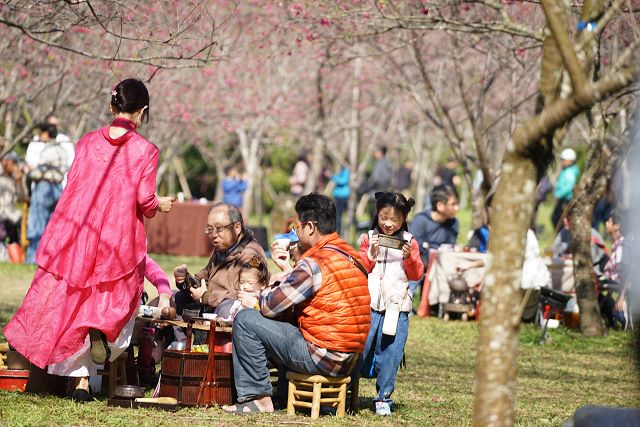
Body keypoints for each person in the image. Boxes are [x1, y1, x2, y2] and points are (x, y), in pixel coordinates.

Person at [3, 78, 175, 401]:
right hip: (117, 237)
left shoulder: (84, 143)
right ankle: (101, 328)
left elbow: (73, 184)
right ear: (144, 111)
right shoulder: (146, 151)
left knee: (73, 301)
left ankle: (80, 381)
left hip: (76, 233)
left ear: (112, 106)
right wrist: (160, 205)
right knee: (114, 300)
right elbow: (145, 199)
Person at [222, 193, 370, 415]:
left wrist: (256, 299)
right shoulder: (351, 255)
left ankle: (258, 399)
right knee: (286, 322)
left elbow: (271, 306)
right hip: (351, 359)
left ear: (310, 227)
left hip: (323, 357)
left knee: (245, 320)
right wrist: (286, 269)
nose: (296, 232)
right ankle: (284, 393)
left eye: (297, 226)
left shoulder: (314, 263)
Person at [358, 192, 423, 416]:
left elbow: (416, 274)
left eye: (394, 220)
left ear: (403, 219)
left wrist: (409, 258)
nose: (388, 224)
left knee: (391, 352)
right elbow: (361, 268)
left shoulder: (410, 242)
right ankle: (350, 389)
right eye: (384, 217)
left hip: (397, 306)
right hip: (369, 304)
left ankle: (383, 397)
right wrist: (371, 253)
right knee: (361, 350)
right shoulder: (368, 238)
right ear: (377, 214)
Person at [172, 203, 266, 319]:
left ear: (237, 228)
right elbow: (203, 279)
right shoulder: (223, 248)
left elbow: (240, 295)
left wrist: (205, 297)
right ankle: (176, 338)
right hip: (211, 304)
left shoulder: (250, 255)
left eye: (219, 229)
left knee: (226, 307)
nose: (213, 235)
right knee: (177, 297)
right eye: (210, 229)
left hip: (232, 313)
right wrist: (185, 280)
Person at [25, 123, 69, 263]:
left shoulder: (49, 150)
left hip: (44, 187)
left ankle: (32, 258)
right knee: (52, 227)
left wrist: (30, 172)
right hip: (57, 189)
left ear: (46, 134)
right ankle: (48, 260)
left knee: (37, 223)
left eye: (41, 133)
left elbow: (40, 171)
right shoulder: (62, 150)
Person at [408, 185, 460, 297]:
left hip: (442, 260)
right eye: (453, 204)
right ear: (440, 205)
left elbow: (449, 247)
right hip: (420, 259)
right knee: (418, 263)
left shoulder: (454, 224)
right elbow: (414, 246)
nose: (457, 208)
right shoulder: (421, 220)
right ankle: (406, 303)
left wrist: (429, 247)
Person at [211, 255, 270, 321]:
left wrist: (254, 305)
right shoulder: (238, 302)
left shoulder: (263, 300)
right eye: (242, 282)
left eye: (250, 283)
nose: (245, 286)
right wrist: (224, 321)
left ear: (263, 284)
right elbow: (233, 318)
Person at [601, 210, 631, 329]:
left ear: (617, 226)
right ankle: (612, 315)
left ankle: (620, 314)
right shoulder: (617, 245)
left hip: (620, 284)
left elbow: (625, 271)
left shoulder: (622, 247)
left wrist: (621, 295)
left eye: (609, 221)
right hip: (613, 282)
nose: (606, 224)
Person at [0, 151, 26, 244]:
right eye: (13, 162)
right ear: (5, 162)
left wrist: (19, 181)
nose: (15, 165)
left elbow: (23, 198)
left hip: (12, 215)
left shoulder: (15, 179)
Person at [551, 148, 580, 229]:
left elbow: (569, 187)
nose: (562, 161)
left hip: (566, 200)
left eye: (564, 160)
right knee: (555, 218)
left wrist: (558, 194)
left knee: (559, 219)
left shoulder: (570, 172)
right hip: (563, 199)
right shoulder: (567, 170)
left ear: (570, 160)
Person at [330, 165, 350, 235]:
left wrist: (333, 176)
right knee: (337, 215)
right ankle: (336, 231)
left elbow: (343, 181)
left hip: (342, 197)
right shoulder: (341, 171)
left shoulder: (346, 171)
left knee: (339, 215)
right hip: (338, 196)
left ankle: (338, 232)